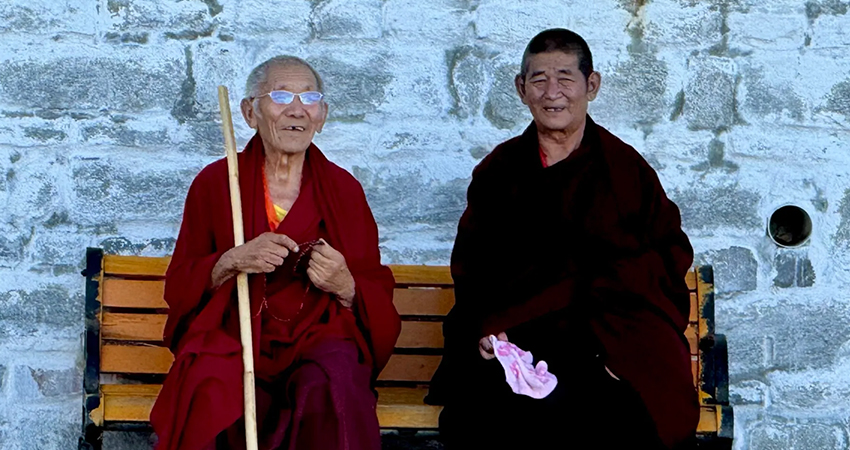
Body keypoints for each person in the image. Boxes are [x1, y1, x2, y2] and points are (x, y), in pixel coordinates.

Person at [427, 29, 698, 450]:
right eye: (538, 79)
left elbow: (667, 257)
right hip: (520, 337)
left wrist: (625, 349)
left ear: (592, 85)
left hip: (605, 338)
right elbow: (473, 267)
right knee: (487, 414)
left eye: (566, 78)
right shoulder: (499, 172)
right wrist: (486, 330)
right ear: (521, 89)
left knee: (623, 414)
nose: (552, 93)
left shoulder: (625, 171)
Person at [150, 56, 401, 450]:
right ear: (251, 112)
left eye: (310, 98)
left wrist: (346, 285)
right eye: (281, 95)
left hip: (318, 337)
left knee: (334, 383)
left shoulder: (344, 191)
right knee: (207, 384)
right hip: (234, 335)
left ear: (322, 115)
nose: (297, 109)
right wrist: (232, 260)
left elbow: (375, 288)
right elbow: (180, 282)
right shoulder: (216, 184)